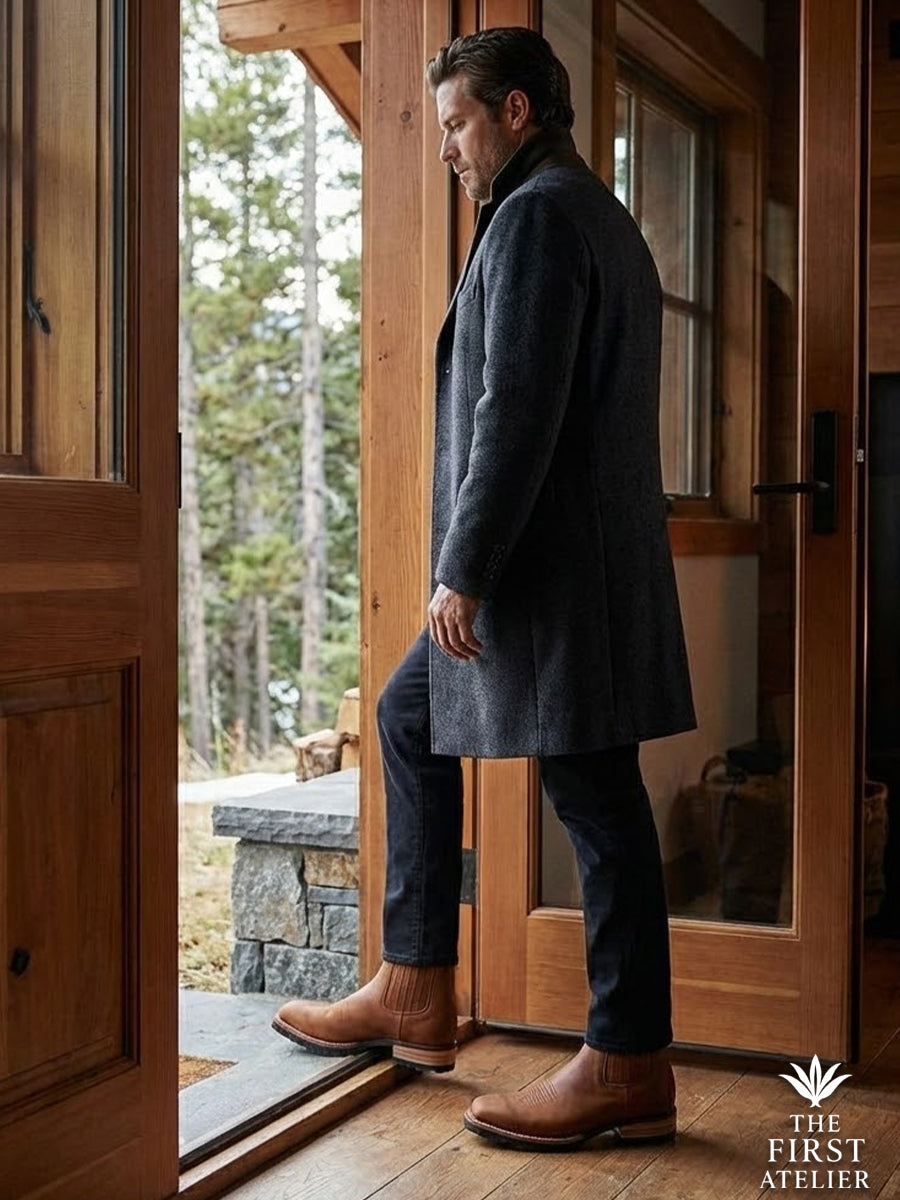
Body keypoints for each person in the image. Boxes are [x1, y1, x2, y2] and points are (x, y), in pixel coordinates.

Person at [274, 27, 696, 1151]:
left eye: (458, 123)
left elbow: (516, 408)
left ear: (515, 112)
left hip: (548, 577)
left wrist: (463, 567)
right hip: (579, 570)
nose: (450, 147)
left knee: (597, 803)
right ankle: (418, 988)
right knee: (414, 720)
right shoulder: (597, 214)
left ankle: (626, 1061)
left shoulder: (540, 217)